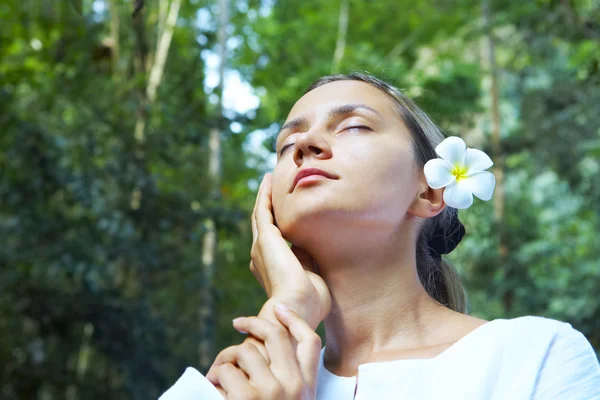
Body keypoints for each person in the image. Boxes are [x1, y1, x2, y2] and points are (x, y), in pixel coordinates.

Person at [160, 73, 600, 399]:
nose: (305, 144)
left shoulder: (535, 356)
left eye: (353, 125)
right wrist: (286, 309)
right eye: (285, 143)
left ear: (429, 190)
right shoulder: (239, 380)